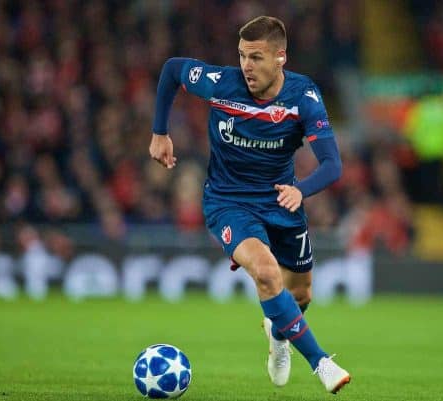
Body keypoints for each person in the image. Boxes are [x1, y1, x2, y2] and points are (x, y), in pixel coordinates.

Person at [149, 16, 350, 394]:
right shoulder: (221, 84)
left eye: (256, 57)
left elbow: (333, 165)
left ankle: (278, 336)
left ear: (280, 58)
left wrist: (301, 191)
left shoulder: (303, 98)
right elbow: (173, 69)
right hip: (228, 202)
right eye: (242, 55)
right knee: (266, 272)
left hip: (281, 201)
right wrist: (160, 132)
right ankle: (321, 362)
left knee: (301, 294)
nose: (246, 66)